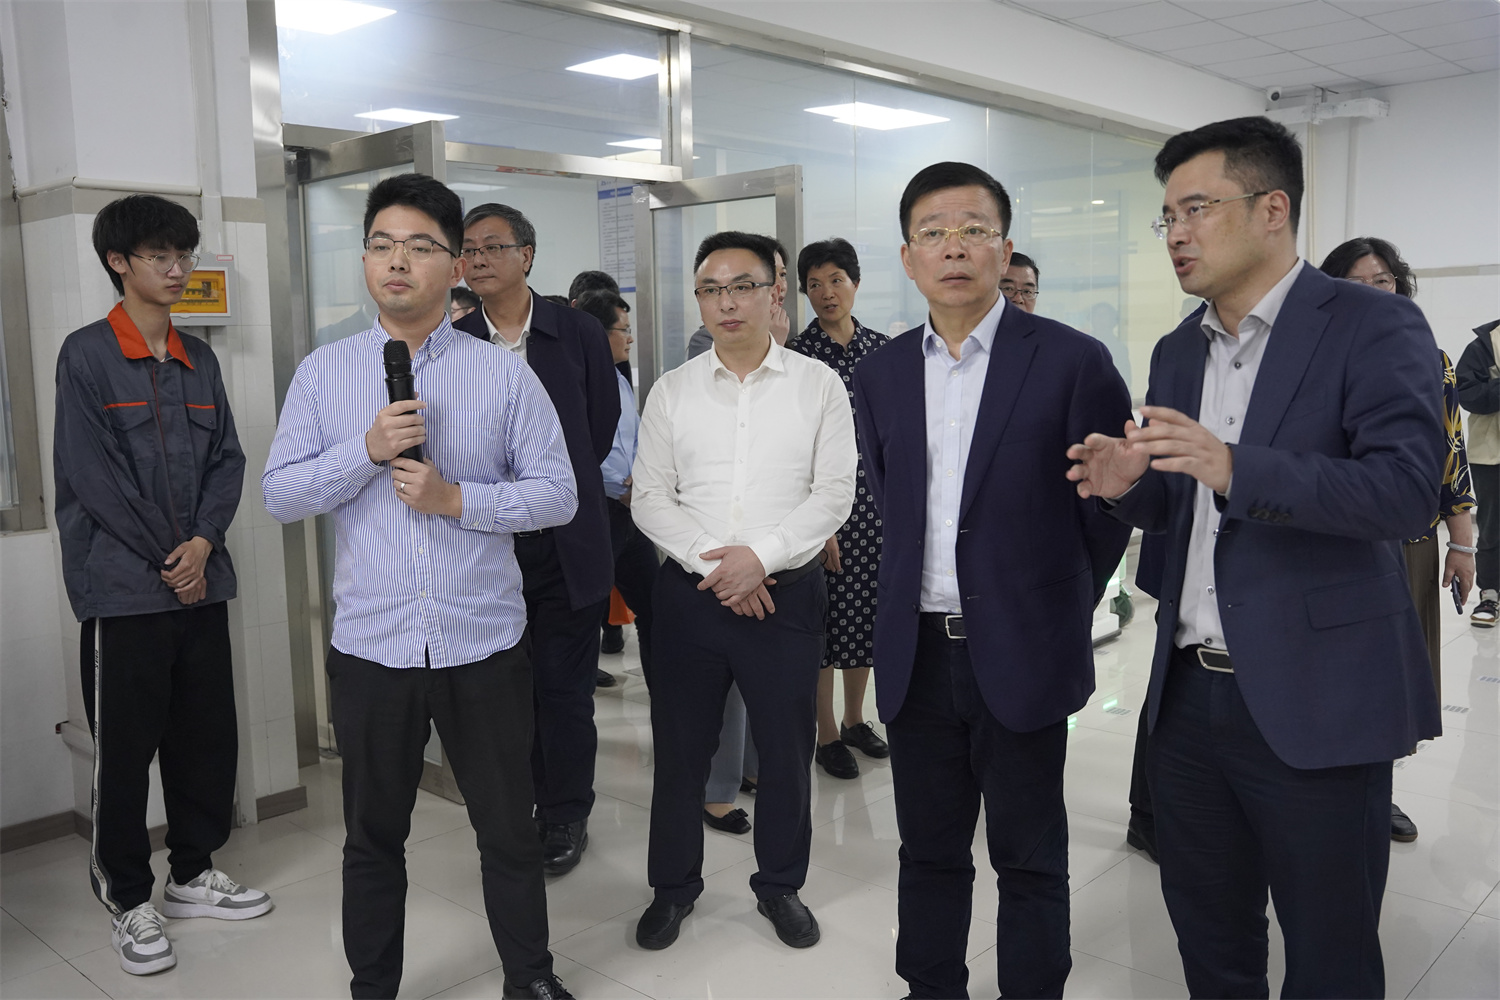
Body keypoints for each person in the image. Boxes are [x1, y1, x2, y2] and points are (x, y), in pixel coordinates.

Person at [1067, 117, 1444, 999]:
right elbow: (1181, 506)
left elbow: (1404, 492)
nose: (1177, 233)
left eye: (1196, 208)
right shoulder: (1177, 349)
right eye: (1167, 217)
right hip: (1188, 700)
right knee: (1211, 940)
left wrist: (1238, 467)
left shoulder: (1372, 323)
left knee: (1329, 953)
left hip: (1318, 696)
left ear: (1273, 209)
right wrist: (1129, 487)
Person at [263, 174, 578, 1000]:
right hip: (373, 649)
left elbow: (558, 495)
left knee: (508, 831)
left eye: (419, 246)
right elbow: (280, 496)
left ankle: (530, 977)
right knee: (372, 839)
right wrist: (365, 451)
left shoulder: (502, 375)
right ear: (366, 259)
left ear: (456, 265)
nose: (396, 261)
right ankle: (373, 986)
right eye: (381, 244)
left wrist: (456, 500)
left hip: (483, 646)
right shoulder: (324, 374)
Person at [852, 162, 1132, 999]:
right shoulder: (882, 373)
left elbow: (1107, 508)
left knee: (1030, 858)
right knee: (928, 852)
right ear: (909, 258)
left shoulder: (1073, 361)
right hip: (917, 657)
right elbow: (891, 500)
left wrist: (1050, 604)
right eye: (933, 233)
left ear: (1005, 250)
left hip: (1022, 650)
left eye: (974, 230)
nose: (954, 248)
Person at [54, 193, 266, 977]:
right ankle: (127, 897)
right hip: (124, 591)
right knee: (124, 751)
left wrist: (203, 544)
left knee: (205, 737)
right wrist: (173, 556)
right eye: (159, 257)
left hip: (200, 583)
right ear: (119, 262)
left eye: (184, 256)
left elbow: (228, 461)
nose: (178, 270)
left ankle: (193, 873)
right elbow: (93, 476)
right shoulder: (86, 355)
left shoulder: (197, 359)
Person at [632, 231, 856, 951]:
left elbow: (833, 494)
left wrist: (760, 558)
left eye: (742, 287)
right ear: (699, 299)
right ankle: (673, 888)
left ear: (774, 292)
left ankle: (780, 886)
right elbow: (650, 498)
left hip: (786, 599)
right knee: (682, 752)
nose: (726, 303)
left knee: (787, 753)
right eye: (711, 289)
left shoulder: (818, 386)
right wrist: (722, 567)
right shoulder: (672, 390)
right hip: (690, 599)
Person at [453, 203, 620, 877]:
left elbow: (598, 428)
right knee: (503, 694)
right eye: (469, 249)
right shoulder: (457, 340)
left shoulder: (576, 332)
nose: (479, 259)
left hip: (565, 543)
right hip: (490, 546)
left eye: (493, 246)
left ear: (526, 254)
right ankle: (517, 807)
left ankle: (565, 812)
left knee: (563, 691)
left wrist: (550, 490)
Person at [1319, 236, 1477, 843]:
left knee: (1392, 675)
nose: (1371, 292)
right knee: (1328, 670)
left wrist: (1461, 543)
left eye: (1381, 280)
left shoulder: (1430, 359)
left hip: (1407, 542)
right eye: (1354, 282)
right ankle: (1316, 790)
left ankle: (1375, 792)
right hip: (1330, 540)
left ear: (1399, 287)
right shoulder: (1309, 355)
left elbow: (1451, 450)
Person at [788, 236, 889, 780]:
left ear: (855, 283)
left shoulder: (882, 350)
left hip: (877, 508)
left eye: (836, 281)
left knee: (866, 616)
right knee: (826, 624)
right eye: (815, 284)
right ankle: (825, 733)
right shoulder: (797, 357)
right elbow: (794, 449)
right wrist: (819, 525)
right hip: (823, 512)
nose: (827, 293)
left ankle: (854, 719)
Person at [574, 289, 658, 686]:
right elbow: (580, 450)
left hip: (630, 512)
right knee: (585, 612)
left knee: (655, 604)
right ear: (599, 332)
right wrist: (618, 487)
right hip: (597, 512)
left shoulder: (620, 380)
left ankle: (666, 689)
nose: (630, 337)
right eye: (623, 329)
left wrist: (640, 477)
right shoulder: (576, 380)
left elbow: (636, 438)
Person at [1457, 318, 1500, 627]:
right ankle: (1490, 595)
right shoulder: (1484, 345)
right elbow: (1467, 394)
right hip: (1491, 455)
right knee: (1492, 528)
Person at [687, 237, 791, 358]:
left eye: (782, 274)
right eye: (711, 290)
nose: (781, 285)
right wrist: (774, 344)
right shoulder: (705, 339)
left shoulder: (786, 330)